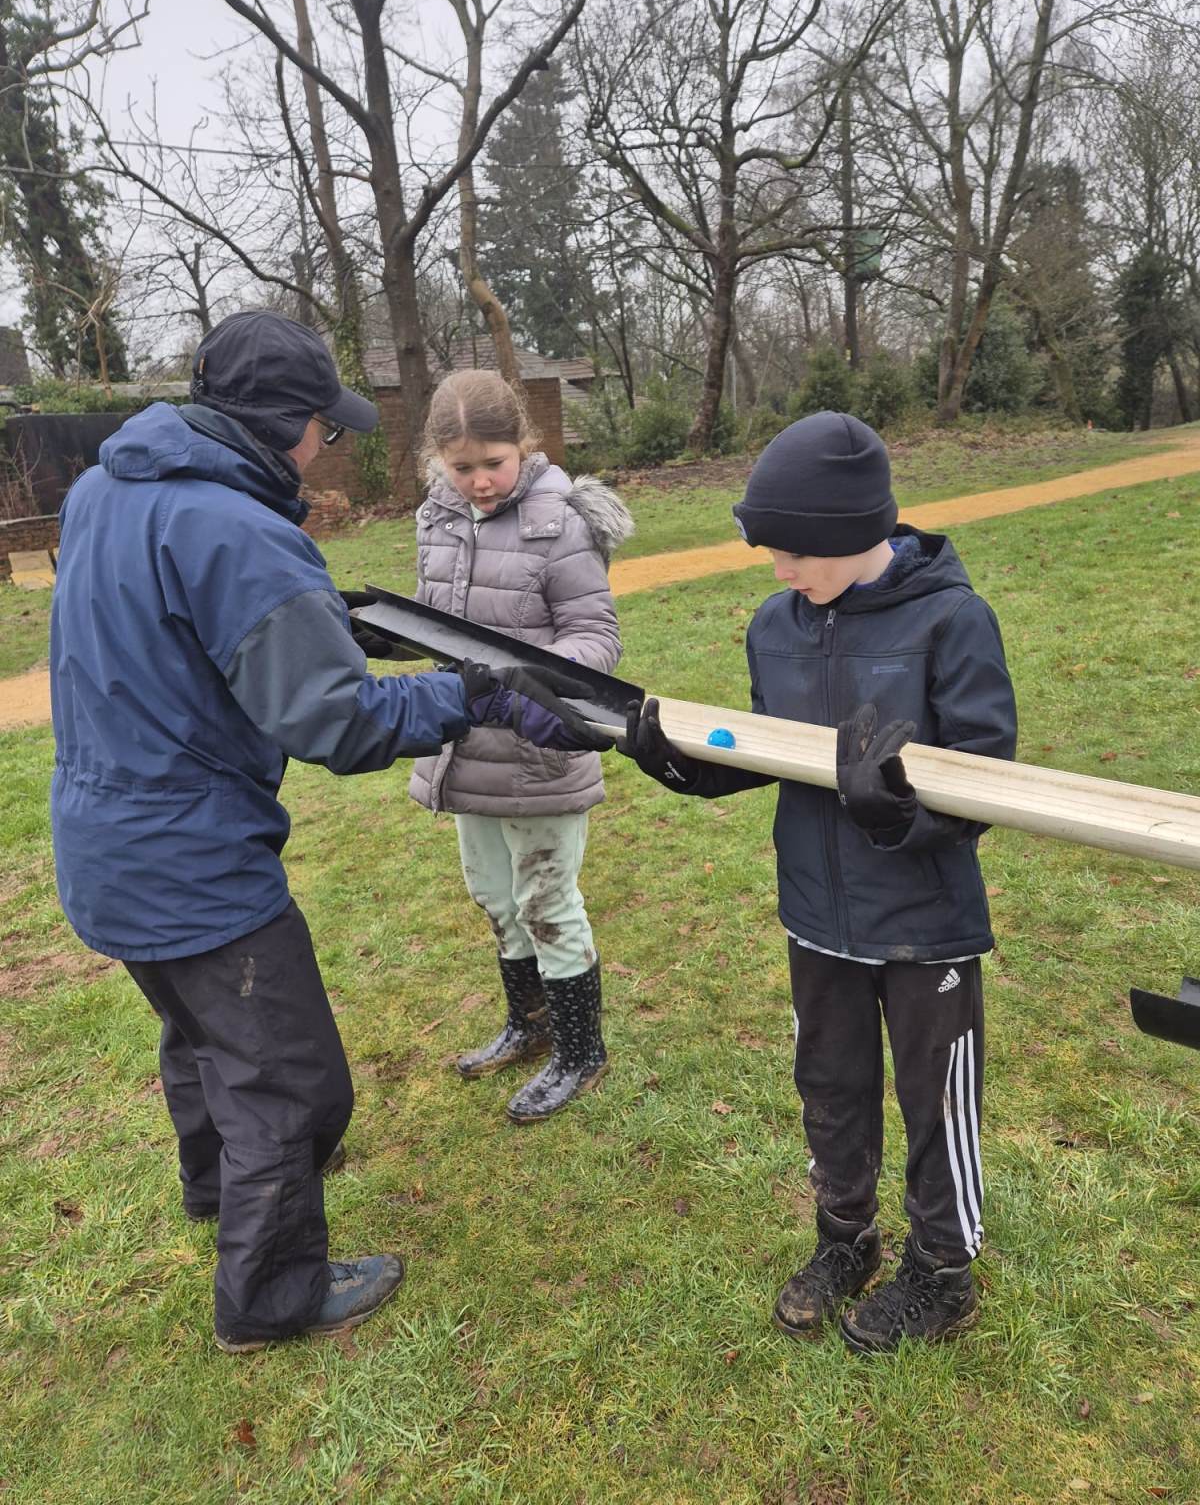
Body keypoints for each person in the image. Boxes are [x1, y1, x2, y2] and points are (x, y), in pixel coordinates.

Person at [49, 311, 606, 1353]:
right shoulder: (240, 533)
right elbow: (337, 723)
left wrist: (318, 624)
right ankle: (271, 1295)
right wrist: (468, 693)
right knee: (290, 1081)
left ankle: (219, 1190)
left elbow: (177, 633)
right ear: (281, 425)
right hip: (193, 857)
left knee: (199, 1032)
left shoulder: (103, 490)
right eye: (322, 426)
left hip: (100, 840)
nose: (323, 445)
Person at [621, 410, 1017, 1353]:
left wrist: (901, 817)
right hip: (816, 911)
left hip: (924, 919)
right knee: (830, 1084)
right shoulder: (776, 625)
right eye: (771, 552)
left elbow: (988, 777)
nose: (779, 571)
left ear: (851, 532)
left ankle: (943, 1269)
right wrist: (683, 765)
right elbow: (770, 748)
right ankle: (846, 1238)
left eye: (793, 552)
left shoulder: (951, 621)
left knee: (935, 1096)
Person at [405, 369, 632, 1122]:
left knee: (545, 901)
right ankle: (530, 1027)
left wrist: (531, 688)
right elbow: (434, 622)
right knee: (496, 897)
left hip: (538, 753)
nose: (478, 481)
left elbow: (595, 636)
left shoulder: (559, 521)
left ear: (525, 445)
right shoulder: (435, 519)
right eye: (461, 467)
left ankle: (580, 1050)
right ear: (438, 461)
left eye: (494, 463)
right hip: (463, 746)